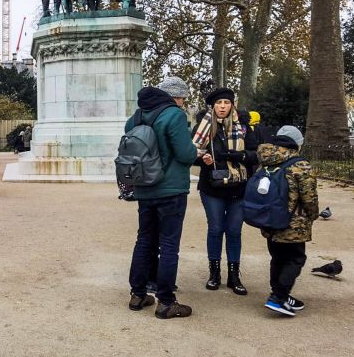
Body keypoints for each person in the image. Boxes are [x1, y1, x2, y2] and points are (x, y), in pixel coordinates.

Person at [125, 77, 200, 319]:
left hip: (144, 187)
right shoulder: (174, 115)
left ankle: (138, 294)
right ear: (174, 97)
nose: (182, 103)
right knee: (169, 245)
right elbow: (186, 154)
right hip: (171, 189)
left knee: (144, 240)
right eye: (182, 99)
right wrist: (196, 150)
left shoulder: (135, 117)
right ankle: (166, 301)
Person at [192, 88, 258, 296]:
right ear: (213, 106)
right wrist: (203, 159)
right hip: (212, 187)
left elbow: (256, 154)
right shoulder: (203, 127)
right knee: (215, 229)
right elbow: (190, 153)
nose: (222, 107)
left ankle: (234, 275)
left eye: (226, 103)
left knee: (234, 231)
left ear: (232, 105)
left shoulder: (244, 127)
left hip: (239, 186)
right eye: (219, 103)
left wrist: (238, 156)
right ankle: (214, 273)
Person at [257, 126, 319, 316]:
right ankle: (278, 298)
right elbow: (309, 198)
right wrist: (313, 215)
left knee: (277, 258)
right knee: (295, 258)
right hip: (293, 222)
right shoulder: (301, 165)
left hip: (270, 220)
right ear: (297, 144)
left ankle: (278, 292)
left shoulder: (267, 162)